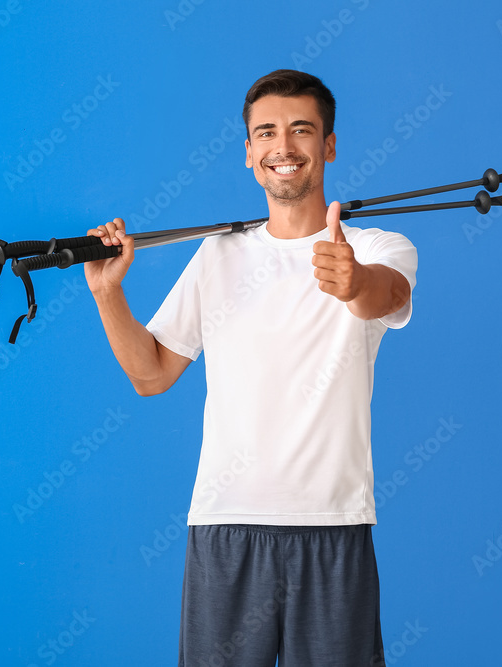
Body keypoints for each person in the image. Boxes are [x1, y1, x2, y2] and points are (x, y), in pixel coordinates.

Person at [85, 69, 417, 666]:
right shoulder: (218, 254)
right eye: (266, 133)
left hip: (333, 524)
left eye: (301, 130)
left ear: (329, 146)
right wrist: (109, 294)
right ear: (248, 153)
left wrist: (354, 281)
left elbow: (386, 298)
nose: (282, 148)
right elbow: (151, 375)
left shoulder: (375, 248)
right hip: (225, 524)